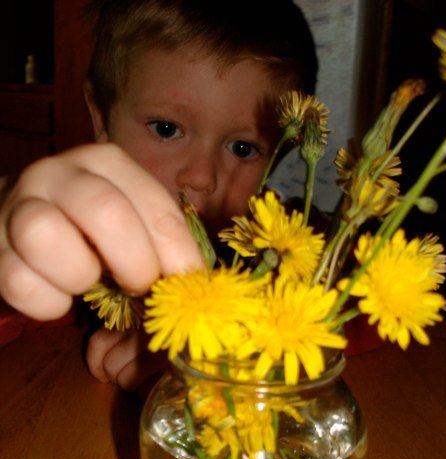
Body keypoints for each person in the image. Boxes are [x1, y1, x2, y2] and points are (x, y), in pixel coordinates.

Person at [0, 0, 318, 394]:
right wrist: (11, 215)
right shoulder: (71, 233)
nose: (200, 177)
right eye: (166, 129)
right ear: (101, 117)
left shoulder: (287, 245)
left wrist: (227, 350)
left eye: (242, 149)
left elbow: (368, 300)